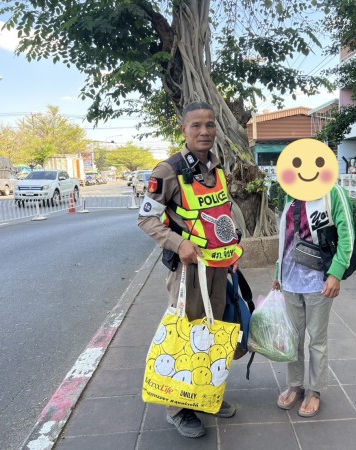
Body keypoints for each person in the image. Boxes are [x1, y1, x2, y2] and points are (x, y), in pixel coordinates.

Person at [138, 101, 243, 438]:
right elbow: (146, 219)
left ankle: (205, 395)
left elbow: (222, 215)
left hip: (218, 268)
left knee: (213, 331)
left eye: (210, 125)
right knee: (185, 332)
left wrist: (233, 248)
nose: (204, 131)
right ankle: (177, 408)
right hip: (188, 272)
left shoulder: (218, 169)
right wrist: (177, 243)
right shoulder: (167, 171)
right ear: (183, 130)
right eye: (196, 125)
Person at [273, 182, 355, 417]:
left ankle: (315, 390)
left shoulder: (333, 192)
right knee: (293, 338)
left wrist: (336, 273)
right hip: (290, 281)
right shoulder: (290, 192)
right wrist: (278, 272)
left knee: (317, 340)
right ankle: (295, 385)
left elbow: (347, 234)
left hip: (319, 282)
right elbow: (286, 236)